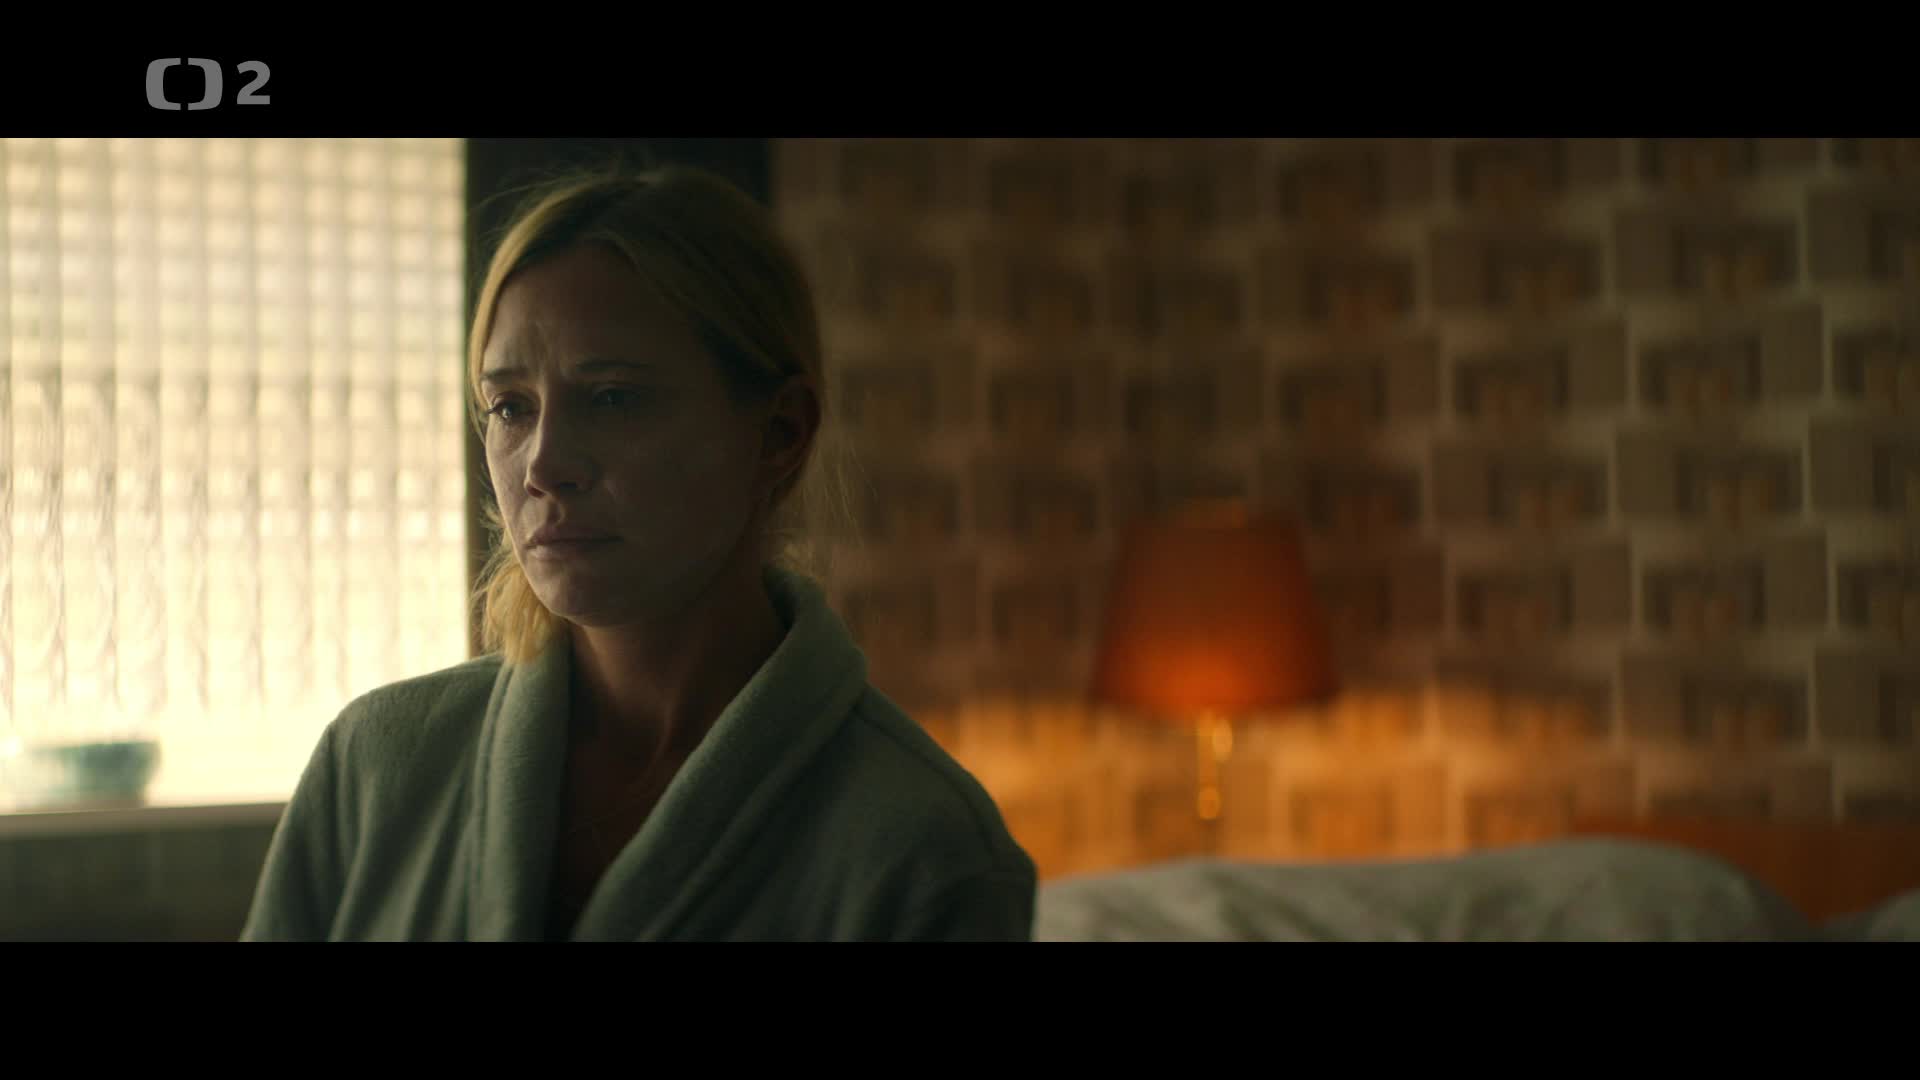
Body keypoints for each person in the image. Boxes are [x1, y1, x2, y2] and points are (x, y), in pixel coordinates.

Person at [240, 164, 1037, 941]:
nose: (544, 465)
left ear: (780, 435)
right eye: (510, 407)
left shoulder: (926, 853)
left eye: (613, 397)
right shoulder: (375, 765)